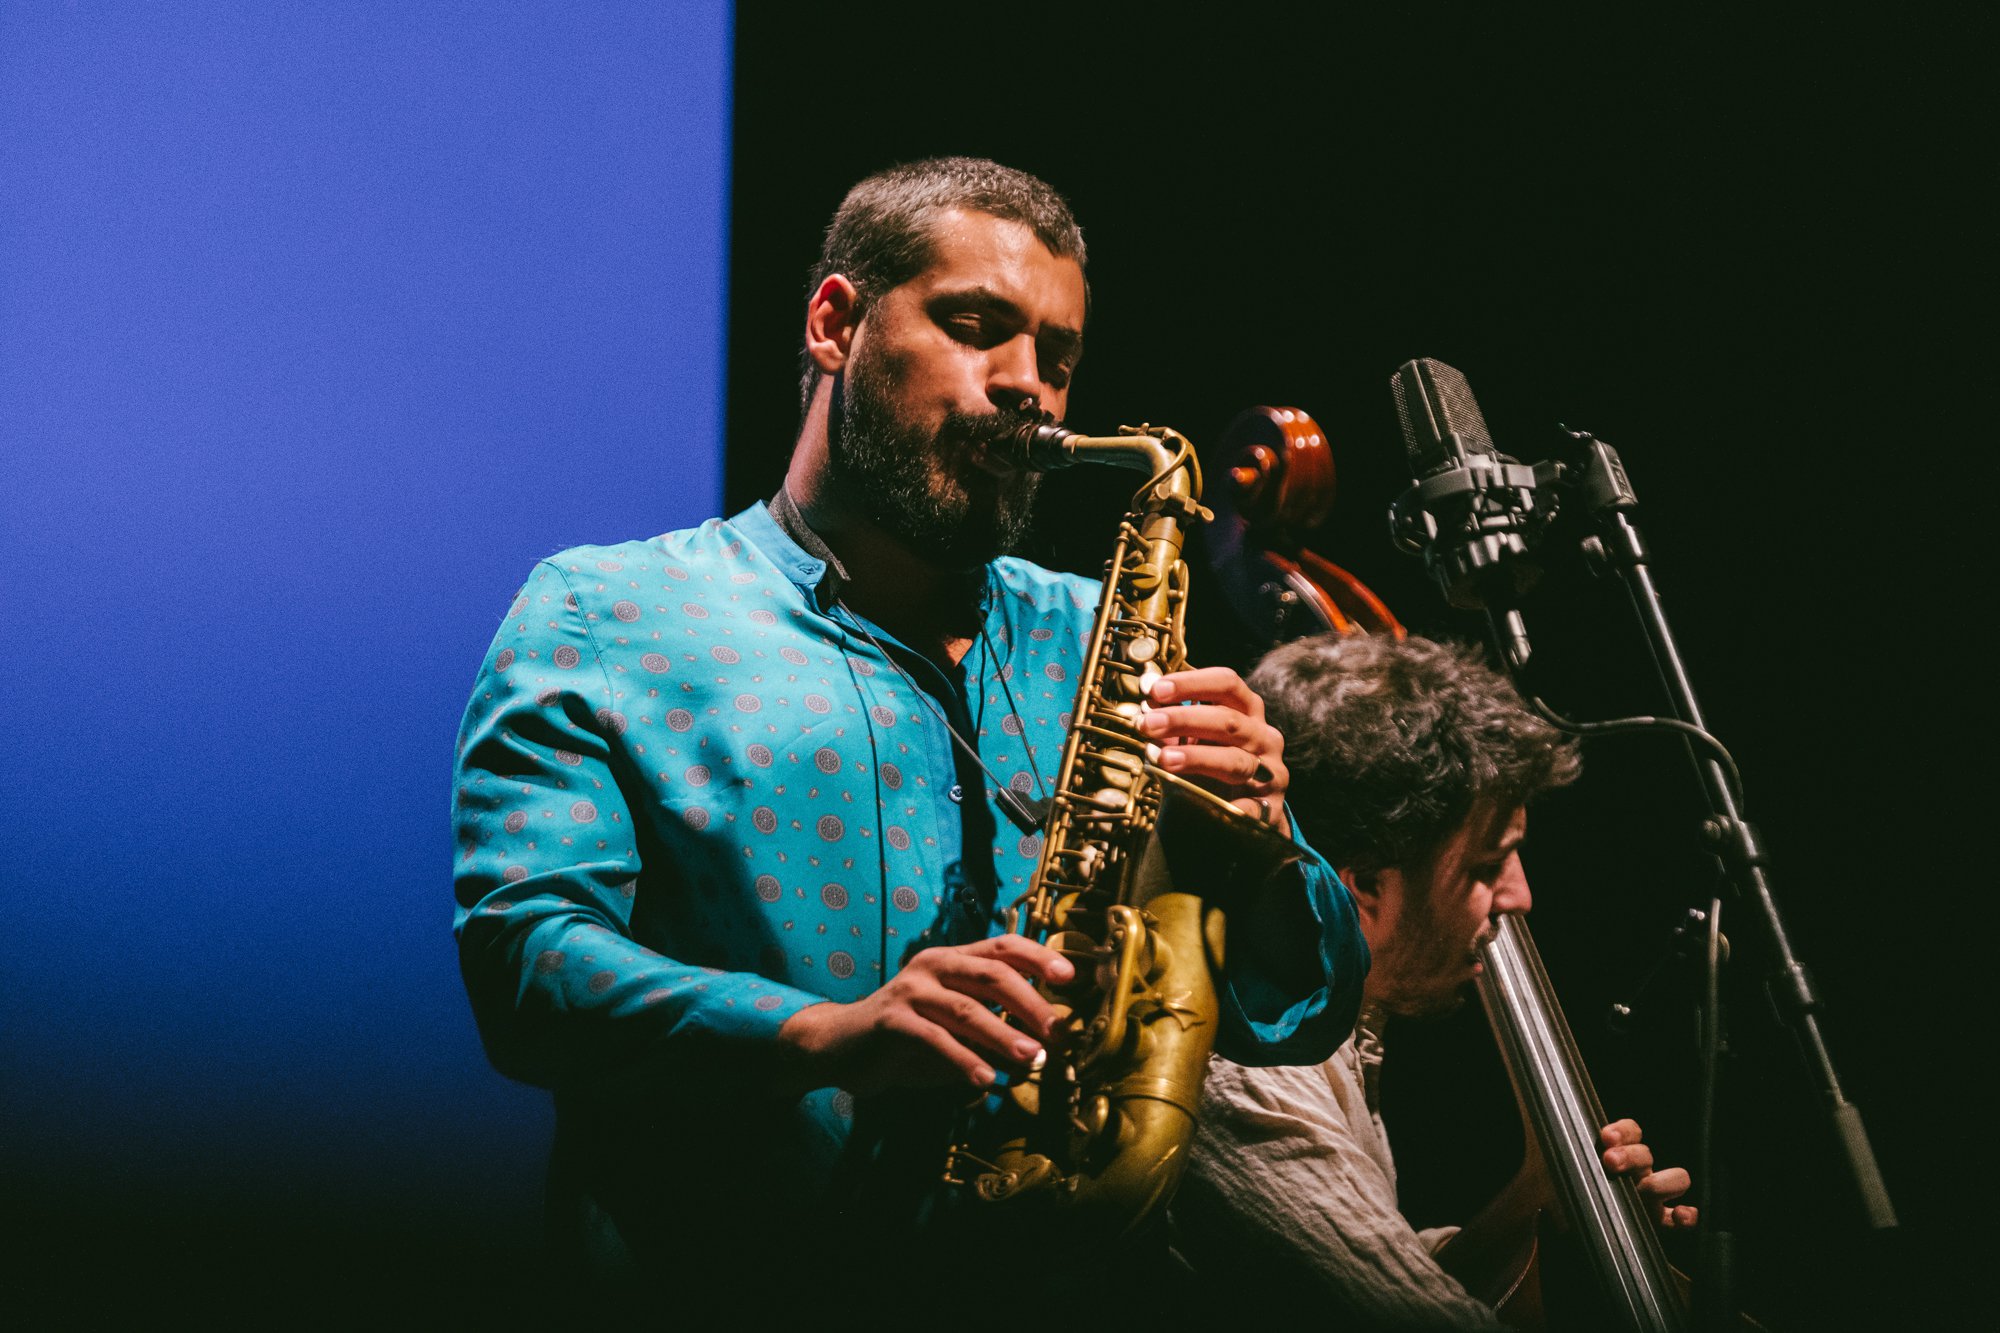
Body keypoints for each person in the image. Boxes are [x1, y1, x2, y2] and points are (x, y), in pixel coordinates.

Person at [450, 157, 1367, 1306]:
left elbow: (1300, 1013)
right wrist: (821, 1033)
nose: (1028, 384)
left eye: (1059, 355)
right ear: (836, 323)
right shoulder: (605, 614)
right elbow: (525, 961)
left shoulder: (1103, 635)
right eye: (977, 327)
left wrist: (1265, 844)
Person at [1171, 632, 1696, 1328]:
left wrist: (1537, 1199)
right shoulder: (1249, 1070)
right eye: (1486, 866)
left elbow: (1378, 1276)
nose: (1521, 897)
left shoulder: (1346, 1027)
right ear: (1364, 888)